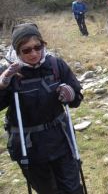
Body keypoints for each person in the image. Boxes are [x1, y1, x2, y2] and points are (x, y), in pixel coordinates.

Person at [0, 23, 84, 194]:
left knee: (73, 189)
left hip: (61, 139)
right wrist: (2, 84)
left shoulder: (55, 65)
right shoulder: (9, 72)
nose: (34, 53)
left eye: (38, 47)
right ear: (17, 51)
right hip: (30, 146)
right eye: (26, 50)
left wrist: (71, 94)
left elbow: (76, 98)